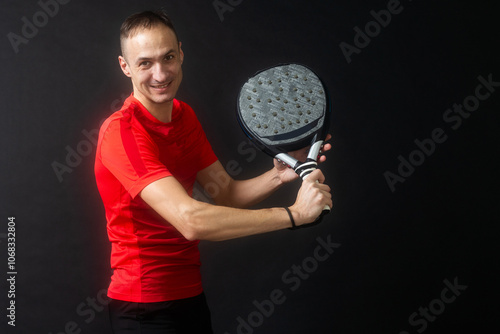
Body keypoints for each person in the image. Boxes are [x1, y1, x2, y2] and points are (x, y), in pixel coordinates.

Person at [94, 9, 333, 334]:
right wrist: (293, 215)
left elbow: (226, 193)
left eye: (168, 57)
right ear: (125, 66)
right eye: (145, 63)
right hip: (142, 309)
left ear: (181, 53)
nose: (161, 73)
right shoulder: (120, 133)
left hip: (190, 299)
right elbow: (190, 220)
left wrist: (279, 175)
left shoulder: (184, 117)